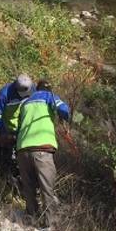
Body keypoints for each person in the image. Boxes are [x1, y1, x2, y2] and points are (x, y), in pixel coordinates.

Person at [14, 80, 71, 222]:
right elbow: (64, 111)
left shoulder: (24, 103)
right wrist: (69, 117)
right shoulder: (49, 96)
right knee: (47, 190)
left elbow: (15, 126)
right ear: (48, 89)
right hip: (42, 150)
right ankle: (48, 225)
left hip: (22, 150)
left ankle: (31, 219)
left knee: (29, 189)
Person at [0, 74, 32, 182]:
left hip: (24, 130)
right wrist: (4, 132)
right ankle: (3, 178)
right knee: (2, 156)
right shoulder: (4, 94)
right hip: (7, 130)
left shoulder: (33, 89)